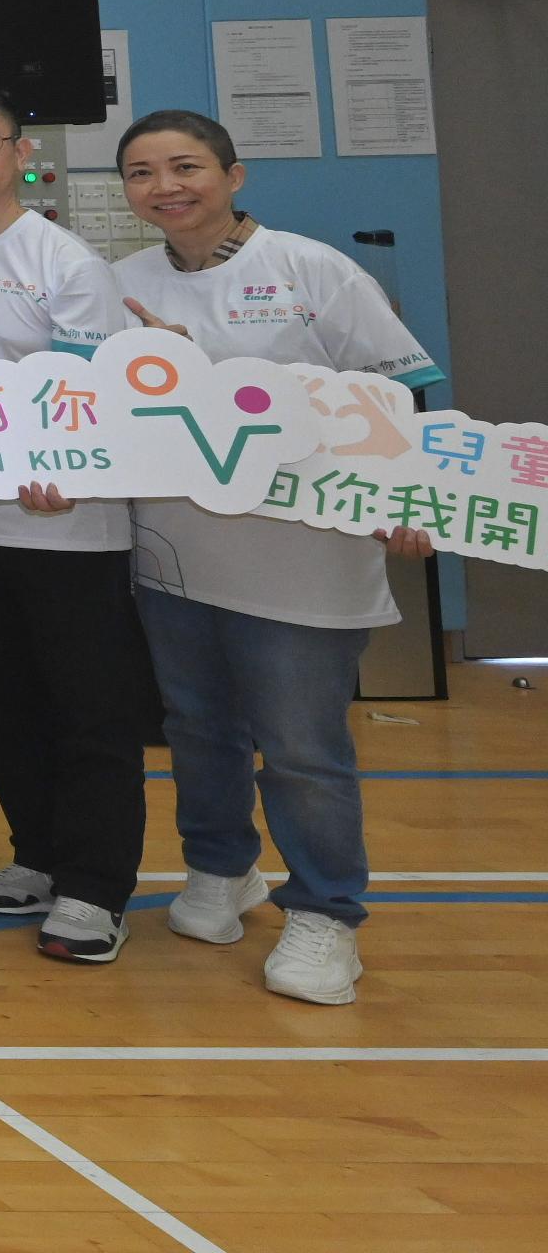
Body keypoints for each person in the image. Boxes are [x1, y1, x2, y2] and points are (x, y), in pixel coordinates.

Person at [112, 109, 448, 1004]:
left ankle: (327, 913)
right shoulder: (122, 282)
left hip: (307, 556)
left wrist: (417, 496)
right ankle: (222, 868)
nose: (166, 187)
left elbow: (406, 391)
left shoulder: (312, 270)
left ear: (234, 174)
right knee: (197, 729)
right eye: (142, 173)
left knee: (303, 747)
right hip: (176, 553)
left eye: (186, 167)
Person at [0, 81, 156, 964]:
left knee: (89, 713)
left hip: (65, 532)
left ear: (21, 152)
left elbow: (87, 400)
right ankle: (40, 860)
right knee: (2, 707)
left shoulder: (64, 259)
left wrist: (65, 475)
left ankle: (96, 889)